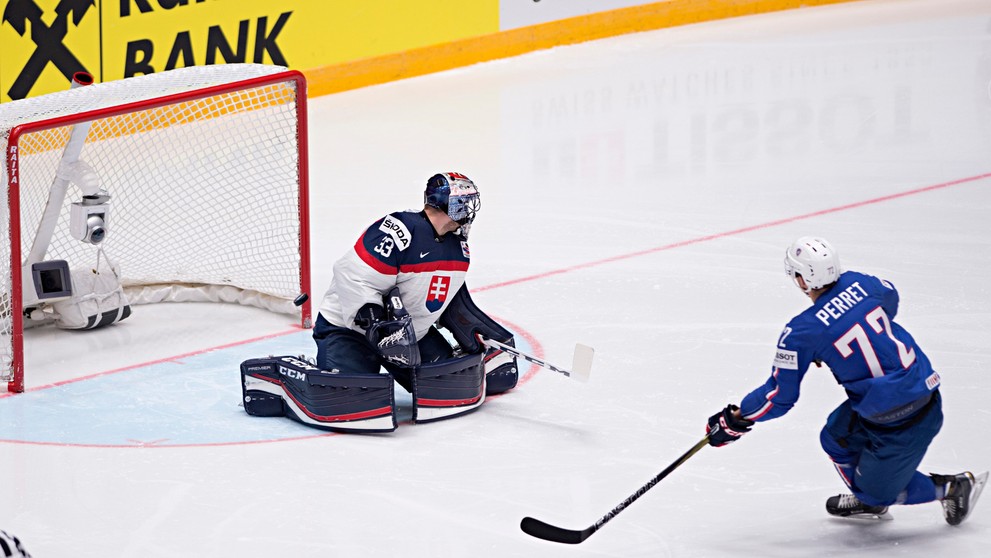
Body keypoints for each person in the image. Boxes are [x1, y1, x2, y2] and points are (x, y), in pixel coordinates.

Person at [704, 236, 986, 524]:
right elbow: (891, 297)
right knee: (835, 437)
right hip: (914, 394)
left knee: (877, 493)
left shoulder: (802, 332)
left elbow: (779, 397)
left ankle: (951, 488)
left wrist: (737, 420)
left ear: (802, 280)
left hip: (901, 421)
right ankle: (869, 493)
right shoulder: (863, 284)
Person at [309, 172, 518, 425]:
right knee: (350, 401)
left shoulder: (458, 248)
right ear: (448, 204)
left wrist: (476, 330)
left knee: (452, 387)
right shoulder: (398, 230)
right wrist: (378, 325)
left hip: (410, 336)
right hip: (350, 331)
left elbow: (448, 300)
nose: (470, 211)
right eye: (465, 202)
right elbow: (353, 276)